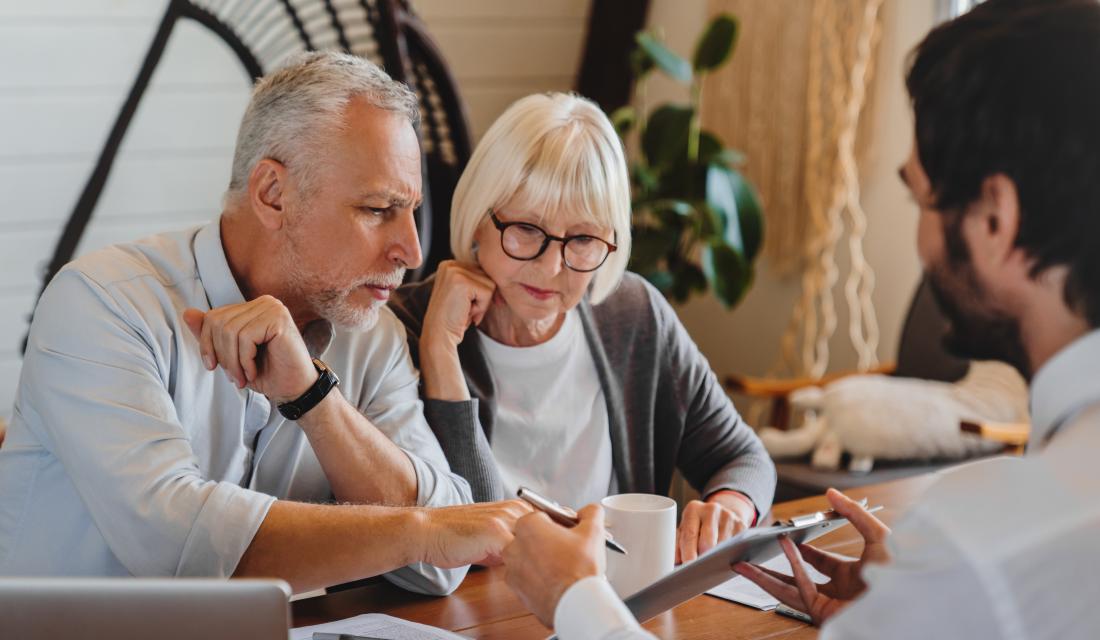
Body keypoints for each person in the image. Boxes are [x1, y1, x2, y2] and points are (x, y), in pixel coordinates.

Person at [503, 0, 1100, 637]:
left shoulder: (984, 542)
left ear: (994, 219)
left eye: (918, 198)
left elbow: (741, 455)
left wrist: (575, 603)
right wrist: (899, 614)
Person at [0, 52, 530, 596]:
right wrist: (418, 531)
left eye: (410, 211)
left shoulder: (374, 335)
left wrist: (314, 399)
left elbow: (442, 567)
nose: (412, 250)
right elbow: (175, 546)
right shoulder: (101, 303)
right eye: (377, 210)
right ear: (273, 194)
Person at [388, 92, 776, 564]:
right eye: (527, 229)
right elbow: (465, 531)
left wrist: (730, 507)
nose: (552, 267)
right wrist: (440, 354)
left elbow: (744, 459)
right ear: (477, 219)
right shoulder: (403, 327)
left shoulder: (631, 314)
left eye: (584, 239)